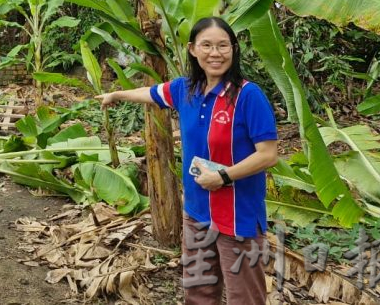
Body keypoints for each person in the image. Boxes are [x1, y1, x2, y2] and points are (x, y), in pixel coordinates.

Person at [97, 16, 279, 305]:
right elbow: (152, 92)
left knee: (244, 297)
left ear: (233, 49)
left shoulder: (248, 96)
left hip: (237, 217)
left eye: (223, 46)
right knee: (198, 294)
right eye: (207, 45)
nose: (215, 53)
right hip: (196, 213)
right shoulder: (187, 89)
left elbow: (268, 154)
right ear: (193, 49)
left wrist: (224, 177)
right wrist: (116, 94)